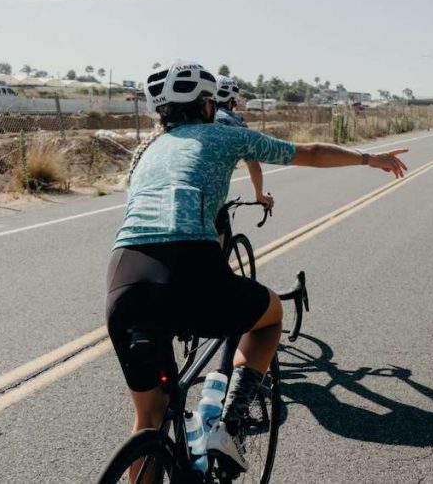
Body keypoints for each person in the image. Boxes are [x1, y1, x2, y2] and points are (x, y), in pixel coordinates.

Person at [106, 61, 407, 472]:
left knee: (148, 419)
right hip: (189, 266)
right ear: (208, 105)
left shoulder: (146, 153)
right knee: (269, 317)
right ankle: (229, 424)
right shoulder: (224, 135)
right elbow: (311, 153)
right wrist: (369, 158)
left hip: (124, 276)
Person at [213, 75, 272, 245]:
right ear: (232, 100)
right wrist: (259, 194)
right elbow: (253, 163)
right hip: (211, 198)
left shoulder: (195, 121)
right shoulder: (233, 122)